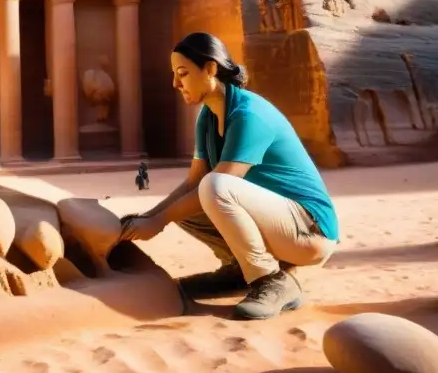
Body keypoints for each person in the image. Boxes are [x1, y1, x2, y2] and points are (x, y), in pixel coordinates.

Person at [120, 32, 339, 320]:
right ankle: (238, 270)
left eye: (183, 73)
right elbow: (193, 182)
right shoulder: (208, 116)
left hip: (309, 232)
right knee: (190, 199)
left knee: (215, 186)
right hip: (277, 223)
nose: (175, 83)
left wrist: (160, 221)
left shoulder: (249, 114)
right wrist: (148, 217)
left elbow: (220, 183)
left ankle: (269, 280)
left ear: (211, 68)